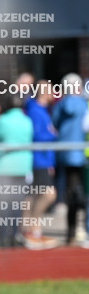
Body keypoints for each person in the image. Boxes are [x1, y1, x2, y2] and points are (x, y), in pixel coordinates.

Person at [0, 94, 34, 246]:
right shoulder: (27, 121)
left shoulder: (3, 121)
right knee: (17, 205)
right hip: (22, 168)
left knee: (3, 205)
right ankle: (14, 234)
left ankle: (3, 236)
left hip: (3, 168)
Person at [20, 81, 59, 249]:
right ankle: (31, 230)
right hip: (37, 161)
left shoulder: (42, 110)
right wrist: (53, 135)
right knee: (48, 194)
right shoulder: (35, 110)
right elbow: (36, 136)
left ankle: (34, 231)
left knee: (34, 196)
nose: (53, 93)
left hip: (44, 160)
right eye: (50, 89)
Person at [51, 74, 87, 245]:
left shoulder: (60, 105)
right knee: (79, 194)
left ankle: (72, 232)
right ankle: (79, 230)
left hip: (64, 154)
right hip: (81, 155)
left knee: (71, 193)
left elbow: (55, 124)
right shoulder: (84, 104)